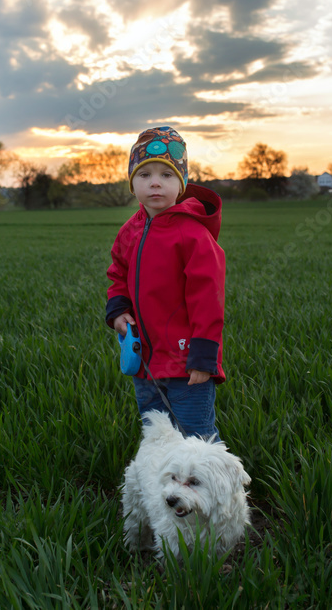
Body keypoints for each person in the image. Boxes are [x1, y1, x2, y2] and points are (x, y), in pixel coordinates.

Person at [105, 126, 226, 440]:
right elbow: (117, 273)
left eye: (167, 175)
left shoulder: (193, 234)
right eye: (144, 175)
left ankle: (216, 490)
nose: (155, 182)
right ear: (132, 183)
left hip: (187, 366)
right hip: (144, 361)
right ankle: (159, 490)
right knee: (157, 439)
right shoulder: (130, 230)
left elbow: (207, 299)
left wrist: (203, 357)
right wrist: (118, 311)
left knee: (196, 441)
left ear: (182, 184)